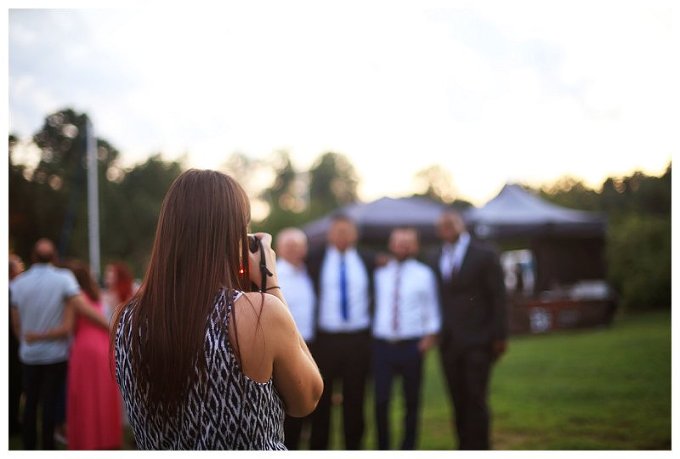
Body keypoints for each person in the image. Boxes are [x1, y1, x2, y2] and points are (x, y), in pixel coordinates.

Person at [112, 169, 323, 450]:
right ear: (233, 234)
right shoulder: (257, 312)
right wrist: (270, 281)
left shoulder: (125, 319)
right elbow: (306, 398)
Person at [9, 239, 110, 450]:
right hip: (55, 355)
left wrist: (28, 341)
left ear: (33, 257)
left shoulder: (17, 284)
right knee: (49, 404)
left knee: (30, 404)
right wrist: (112, 325)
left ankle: (28, 447)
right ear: (54, 257)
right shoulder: (64, 279)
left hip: (29, 355)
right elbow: (82, 308)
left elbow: (16, 324)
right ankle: (47, 447)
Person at [429, 210, 508, 450]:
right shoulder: (434, 257)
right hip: (449, 343)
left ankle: (481, 448)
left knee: (476, 398)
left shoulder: (484, 254)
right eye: (442, 225)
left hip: (479, 340)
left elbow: (498, 297)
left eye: (451, 223)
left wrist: (500, 336)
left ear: (461, 225)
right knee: (457, 400)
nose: (447, 228)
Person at [306, 213, 376, 450]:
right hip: (325, 341)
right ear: (329, 234)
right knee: (321, 401)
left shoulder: (369, 259)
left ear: (355, 234)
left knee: (355, 401)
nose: (342, 236)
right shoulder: (313, 260)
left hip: (359, 341)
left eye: (347, 231)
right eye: (338, 231)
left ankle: (353, 449)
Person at [372, 227, 441, 450]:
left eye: (408, 242)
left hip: (413, 346)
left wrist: (430, 338)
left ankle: (408, 449)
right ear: (391, 245)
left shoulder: (424, 274)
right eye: (399, 242)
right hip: (382, 346)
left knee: (412, 402)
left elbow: (431, 308)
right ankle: (383, 449)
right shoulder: (379, 273)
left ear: (415, 246)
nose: (403, 246)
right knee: (381, 401)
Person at [62, 259, 122, 449]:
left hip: (85, 351)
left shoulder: (75, 298)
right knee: (102, 395)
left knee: (86, 397)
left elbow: (68, 328)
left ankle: (88, 441)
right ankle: (106, 438)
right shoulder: (96, 295)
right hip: (103, 347)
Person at [275, 227, 317, 449]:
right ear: (279, 249)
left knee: (307, 403)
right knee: (288, 405)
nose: (293, 250)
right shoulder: (274, 275)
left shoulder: (309, 272)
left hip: (311, 346)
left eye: (298, 246)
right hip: (285, 349)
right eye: (289, 246)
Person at [9, 254, 25, 436]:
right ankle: (12, 422)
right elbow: (15, 322)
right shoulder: (14, 290)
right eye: (19, 267)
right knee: (13, 384)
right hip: (14, 345)